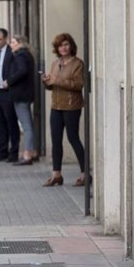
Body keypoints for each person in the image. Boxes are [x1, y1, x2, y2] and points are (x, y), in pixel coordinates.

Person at [41, 32, 86, 187]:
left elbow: (78, 85)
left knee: (73, 138)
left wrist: (57, 80)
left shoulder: (78, 63)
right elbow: (52, 86)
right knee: (55, 140)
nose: (63, 48)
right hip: (56, 106)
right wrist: (46, 82)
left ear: (71, 46)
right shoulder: (55, 63)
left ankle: (85, 173)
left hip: (71, 105)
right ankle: (56, 175)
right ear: (57, 48)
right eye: (60, 45)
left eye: (66, 44)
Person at [0, 28, 20, 163]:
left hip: (8, 92)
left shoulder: (12, 53)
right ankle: (2, 152)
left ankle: (14, 153)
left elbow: (17, 70)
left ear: (6, 38)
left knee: (11, 123)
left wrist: (10, 82)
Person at [4, 35, 37, 166]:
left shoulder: (21, 56)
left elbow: (22, 71)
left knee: (26, 126)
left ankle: (27, 154)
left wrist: (9, 81)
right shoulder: (24, 55)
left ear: (20, 43)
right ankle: (32, 151)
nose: (10, 44)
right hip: (24, 94)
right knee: (28, 124)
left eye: (13, 42)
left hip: (21, 95)